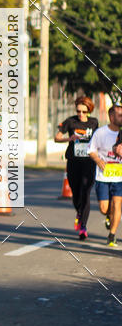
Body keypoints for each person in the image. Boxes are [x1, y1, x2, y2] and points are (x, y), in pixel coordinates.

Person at [55, 96, 98, 240]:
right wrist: (70, 138)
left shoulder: (94, 123)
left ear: (89, 111)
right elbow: (57, 137)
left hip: (89, 163)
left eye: (84, 112)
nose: (81, 114)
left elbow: (97, 140)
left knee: (85, 192)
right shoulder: (70, 121)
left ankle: (83, 227)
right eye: (79, 111)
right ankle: (79, 212)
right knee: (76, 195)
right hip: (73, 163)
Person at [88, 105, 122, 249]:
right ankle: (109, 216)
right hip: (103, 177)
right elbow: (91, 150)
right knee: (104, 208)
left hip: (119, 178)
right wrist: (98, 160)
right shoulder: (100, 133)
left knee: (117, 205)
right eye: (120, 115)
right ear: (111, 117)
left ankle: (112, 235)